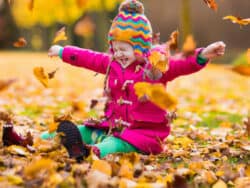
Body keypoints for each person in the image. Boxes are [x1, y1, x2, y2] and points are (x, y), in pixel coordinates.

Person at [3, 0, 226, 160]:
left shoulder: (155, 66)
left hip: (143, 135)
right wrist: (63, 51)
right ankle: (33, 140)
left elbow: (180, 64)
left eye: (124, 49)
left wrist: (202, 54)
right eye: (115, 48)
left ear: (140, 48)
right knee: (81, 130)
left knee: (112, 145)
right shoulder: (112, 63)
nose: (118, 53)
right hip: (112, 126)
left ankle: (90, 153)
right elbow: (88, 58)